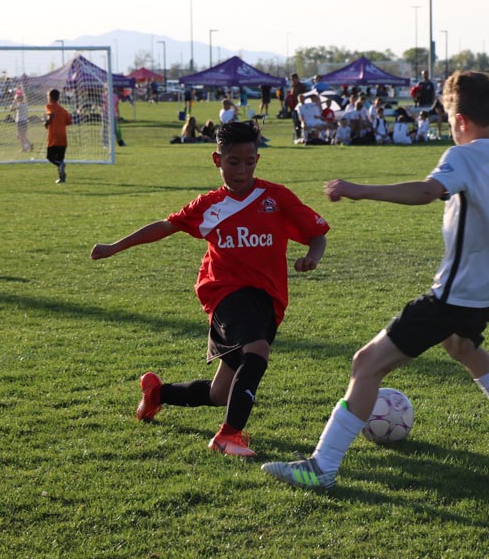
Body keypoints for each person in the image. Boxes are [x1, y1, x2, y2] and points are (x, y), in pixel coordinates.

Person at [261, 71, 489, 492]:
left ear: (460, 121)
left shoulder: (463, 155)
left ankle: (322, 466)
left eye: (450, 117)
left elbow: (425, 191)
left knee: (366, 364)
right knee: (462, 346)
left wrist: (358, 189)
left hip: (455, 294)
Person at [90, 122, 329, 457]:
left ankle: (157, 394)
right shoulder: (208, 206)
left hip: (267, 300)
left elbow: (317, 234)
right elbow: (165, 226)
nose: (242, 170)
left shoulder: (276, 198)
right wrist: (115, 247)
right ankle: (228, 437)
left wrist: (313, 257)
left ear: (258, 159)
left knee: (219, 394)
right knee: (258, 350)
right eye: (233, 162)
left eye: (249, 162)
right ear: (217, 160)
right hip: (224, 294)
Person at [44, 89, 73, 183]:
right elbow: (69, 122)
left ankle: (60, 166)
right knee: (60, 159)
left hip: (54, 138)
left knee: (50, 157)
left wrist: (47, 122)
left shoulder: (49, 106)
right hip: (63, 138)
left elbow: (51, 114)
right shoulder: (63, 110)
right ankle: (62, 178)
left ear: (50, 98)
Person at [10, 88, 33, 152]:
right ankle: (28, 145)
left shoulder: (19, 105)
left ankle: (25, 147)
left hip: (20, 121)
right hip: (25, 121)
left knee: (20, 136)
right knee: (22, 136)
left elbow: (11, 109)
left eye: (17, 98)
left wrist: (14, 102)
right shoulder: (25, 104)